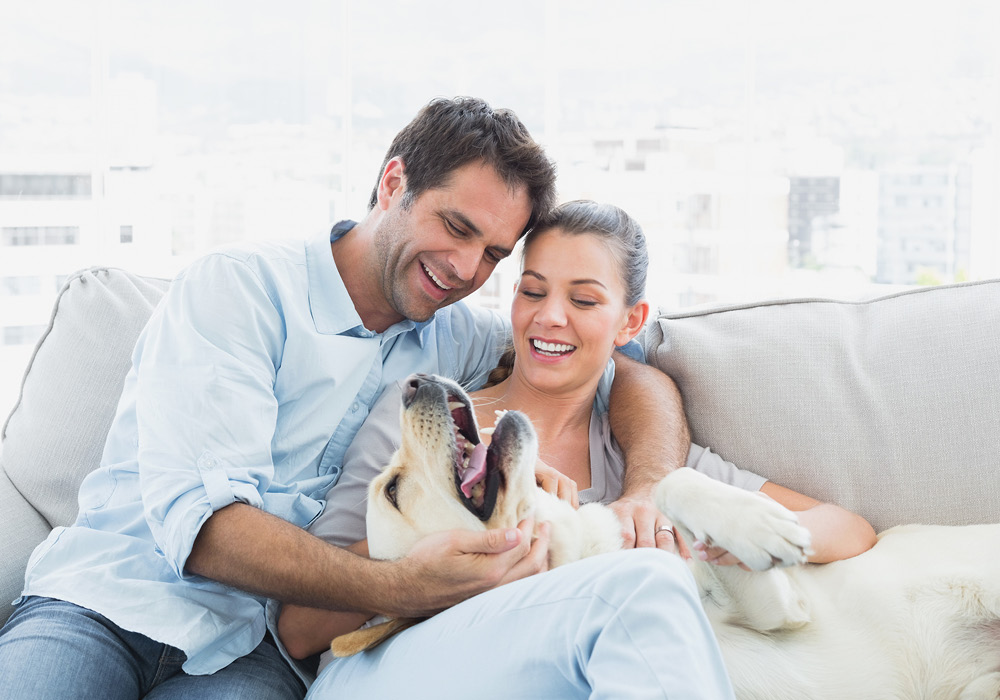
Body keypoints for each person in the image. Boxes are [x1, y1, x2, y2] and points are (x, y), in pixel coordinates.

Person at [0, 98, 694, 699]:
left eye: (492, 254)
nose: (464, 269)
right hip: (106, 603)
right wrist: (402, 583)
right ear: (393, 182)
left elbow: (627, 366)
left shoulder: (455, 337)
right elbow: (208, 531)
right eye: (455, 228)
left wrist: (651, 486)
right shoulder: (239, 290)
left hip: (257, 653)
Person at [279, 200, 878, 698]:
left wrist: (739, 544)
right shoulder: (433, 424)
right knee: (643, 582)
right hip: (381, 676)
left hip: (544, 676)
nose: (550, 318)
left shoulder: (646, 464)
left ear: (629, 322)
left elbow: (848, 529)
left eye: (585, 301)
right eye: (532, 291)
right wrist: (427, 555)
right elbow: (301, 628)